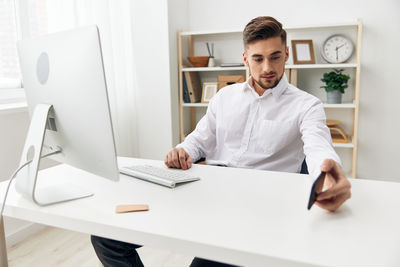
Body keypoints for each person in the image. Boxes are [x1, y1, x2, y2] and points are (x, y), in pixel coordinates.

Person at [91, 16, 351, 267]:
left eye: (275, 57)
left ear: (286, 54)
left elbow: (319, 148)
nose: (267, 68)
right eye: (258, 59)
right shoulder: (224, 97)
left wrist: (328, 172)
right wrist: (183, 150)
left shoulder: (307, 106)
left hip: (258, 212)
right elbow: (200, 139)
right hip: (208, 197)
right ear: (245, 58)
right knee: (106, 238)